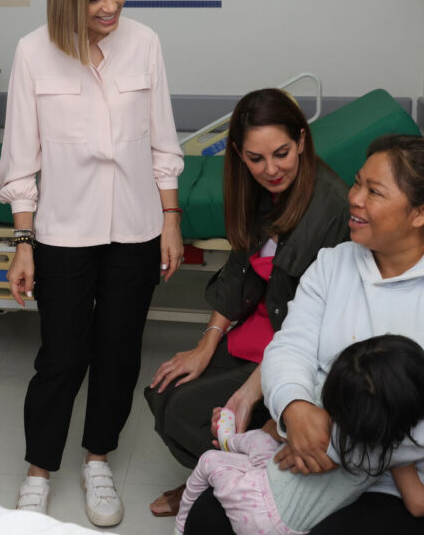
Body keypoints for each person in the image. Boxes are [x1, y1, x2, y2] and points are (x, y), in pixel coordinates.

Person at [183, 134, 424, 534]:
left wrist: (331, 444)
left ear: (421, 212)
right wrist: (293, 408)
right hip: (309, 444)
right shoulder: (335, 263)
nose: (354, 198)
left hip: (411, 477)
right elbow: (291, 346)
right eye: (357, 183)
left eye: (374, 192)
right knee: (208, 519)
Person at [0, 0, 184, 528]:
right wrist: (23, 242)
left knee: (118, 353)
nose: (111, 7)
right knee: (62, 355)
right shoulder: (32, 53)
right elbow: (20, 160)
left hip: (135, 227)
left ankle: (97, 458)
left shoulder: (145, 44)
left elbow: (163, 144)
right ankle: (39, 472)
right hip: (61, 231)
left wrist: (171, 220)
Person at [145, 88, 351, 517]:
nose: (270, 170)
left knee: (188, 411)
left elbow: (314, 323)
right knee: (164, 390)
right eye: (256, 159)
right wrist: (206, 344)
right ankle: (217, 471)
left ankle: (239, 480)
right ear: (239, 154)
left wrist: (252, 386)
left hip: (295, 350)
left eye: (281, 154)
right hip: (255, 331)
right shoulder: (255, 192)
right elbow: (240, 270)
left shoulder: (329, 207)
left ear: (302, 140)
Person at [174, 334, 424, 535]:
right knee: (265, 446)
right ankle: (234, 443)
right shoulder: (391, 451)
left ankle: (225, 448)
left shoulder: (323, 422)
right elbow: (418, 503)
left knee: (211, 461)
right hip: (294, 528)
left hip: (257, 508)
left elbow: (278, 428)